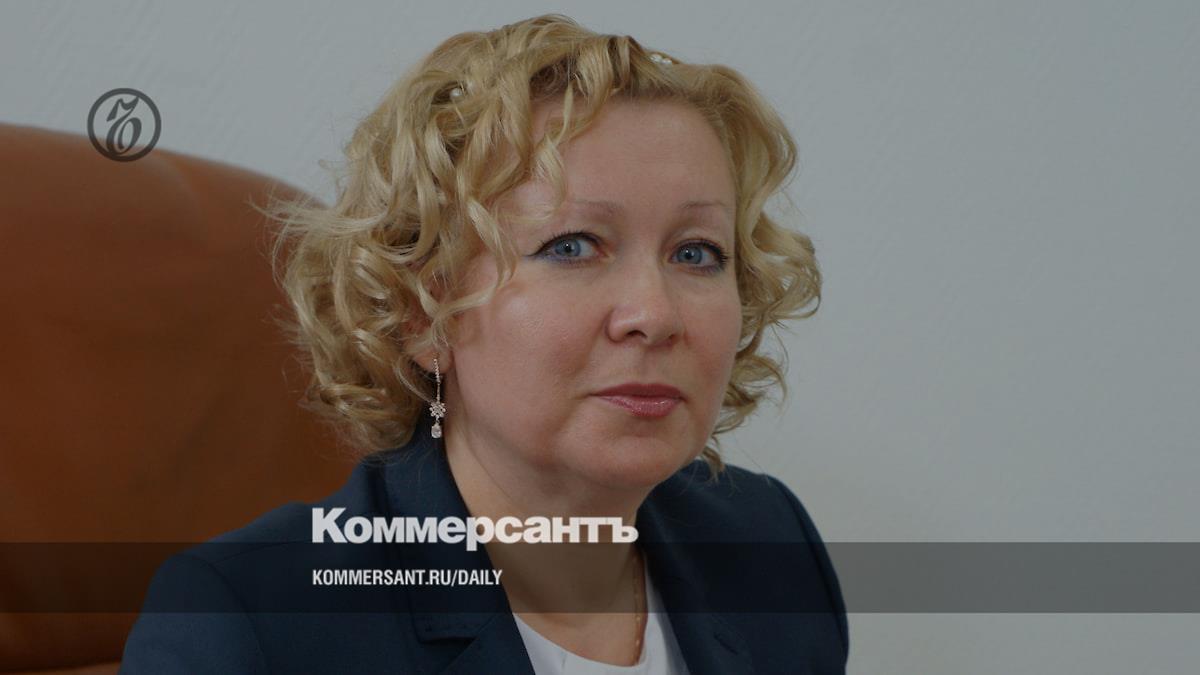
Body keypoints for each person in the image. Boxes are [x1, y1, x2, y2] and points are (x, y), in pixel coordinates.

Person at [121, 13, 848, 675]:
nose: (654, 315)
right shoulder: (246, 624)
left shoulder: (769, 545)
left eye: (696, 253)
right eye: (572, 245)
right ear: (423, 313)